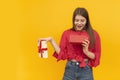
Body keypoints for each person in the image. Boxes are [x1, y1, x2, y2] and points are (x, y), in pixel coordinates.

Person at [39, 7, 101, 80]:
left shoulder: (94, 34)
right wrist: (52, 40)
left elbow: (96, 56)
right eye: (77, 20)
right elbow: (62, 53)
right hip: (70, 69)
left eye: (82, 20)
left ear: (87, 21)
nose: (79, 23)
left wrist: (86, 51)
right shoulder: (67, 33)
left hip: (86, 70)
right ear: (73, 20)